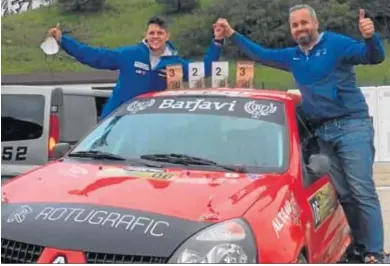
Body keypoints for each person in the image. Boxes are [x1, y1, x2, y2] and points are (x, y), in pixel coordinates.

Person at [214, 4, 386, 264]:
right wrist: (232, 34)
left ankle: (376, 252)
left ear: (316, 24)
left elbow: (373, 57)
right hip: (322, 132)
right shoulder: (292, 56)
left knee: (362, 190)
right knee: (346, 195)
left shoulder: (336, 44)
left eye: (304, 23)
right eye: (295, 25)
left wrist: (370, 37)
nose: (300, 28)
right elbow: (261, 55)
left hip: (352, 126)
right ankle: (359, 246)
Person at [48, 16, 225, 119]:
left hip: (146, 125)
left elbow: (205, 71)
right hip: (116, 120)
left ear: (167, 36)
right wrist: (63, 40)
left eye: (160, 33)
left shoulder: (175, 64)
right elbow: (94, 56)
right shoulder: (130, 54)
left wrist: (217, 41)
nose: (155, 37)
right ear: (146, 35)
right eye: (152, 33)